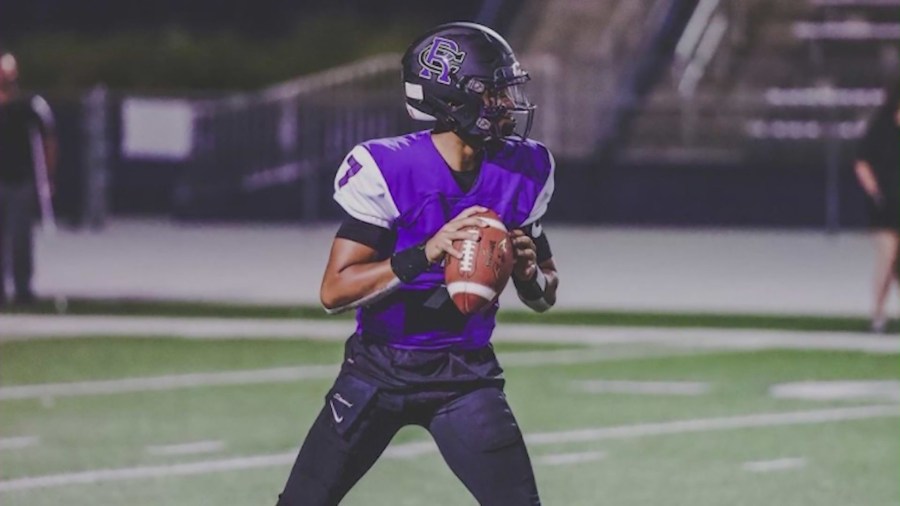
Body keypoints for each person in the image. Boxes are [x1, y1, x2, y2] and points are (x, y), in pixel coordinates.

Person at [276, 22, 558, 505]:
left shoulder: (523, 169)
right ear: (451, 100)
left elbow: (546, 294)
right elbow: (334, 291)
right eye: (493, 93)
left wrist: (530, 277)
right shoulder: (391, 167)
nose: (507, 104)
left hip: (463, 376)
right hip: (377, 370)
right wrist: (426, 252)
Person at [0, 51, 57, 306]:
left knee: (20, 237)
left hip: (19, 180)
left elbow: (48, 139)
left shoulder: (28, 104)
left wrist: (47, 177)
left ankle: (23, 289)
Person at [854, 85, 900, 333]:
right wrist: (875, 193)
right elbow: (861, 162)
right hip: (885, 206)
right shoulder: (880, 129)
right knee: (887, 256)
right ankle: (878, 314)